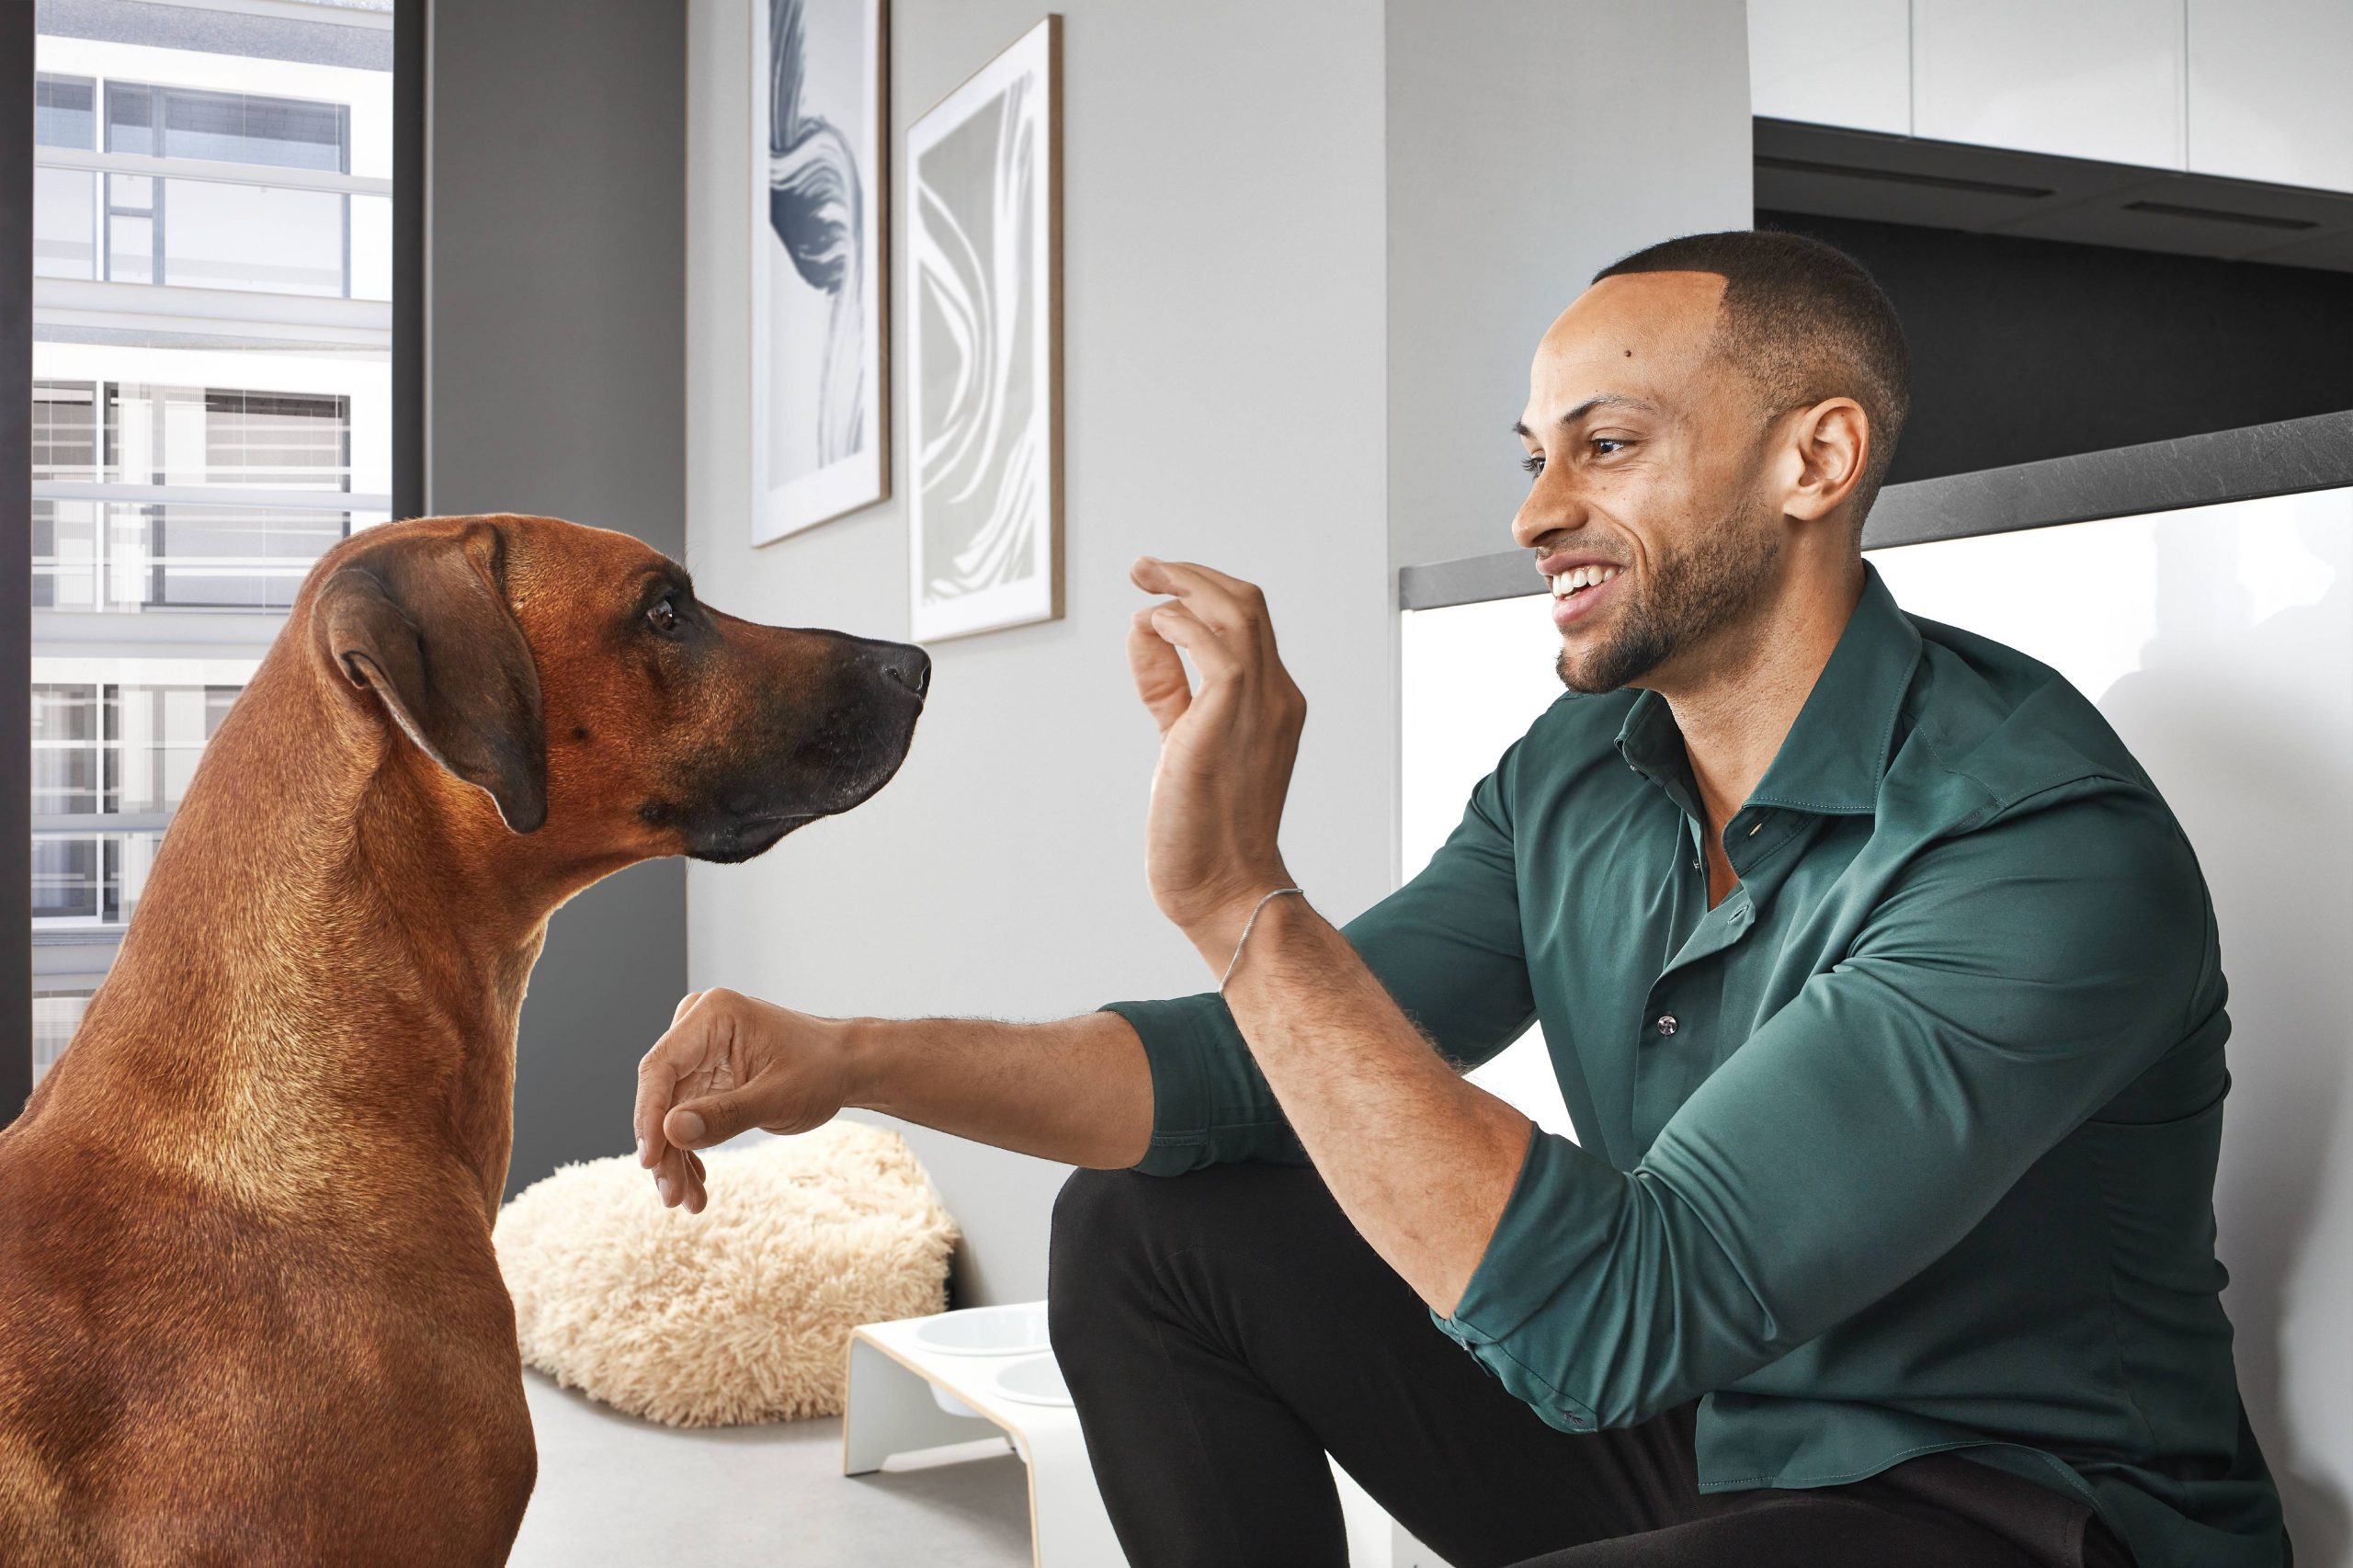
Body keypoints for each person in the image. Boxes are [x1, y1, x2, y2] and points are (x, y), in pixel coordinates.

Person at [631, 231, 2290, 1568]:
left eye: (1607, 445)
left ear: (1817, 458)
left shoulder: (2035, 845)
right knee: (1148, 1223)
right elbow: (1240, 1075)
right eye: (1536, 455)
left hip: (2003, 1507)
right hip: (1715, 1421)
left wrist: (1241, 897)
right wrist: (848, 1056)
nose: (1536, 512)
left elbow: (1615, 1314)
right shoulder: (1586, 768)